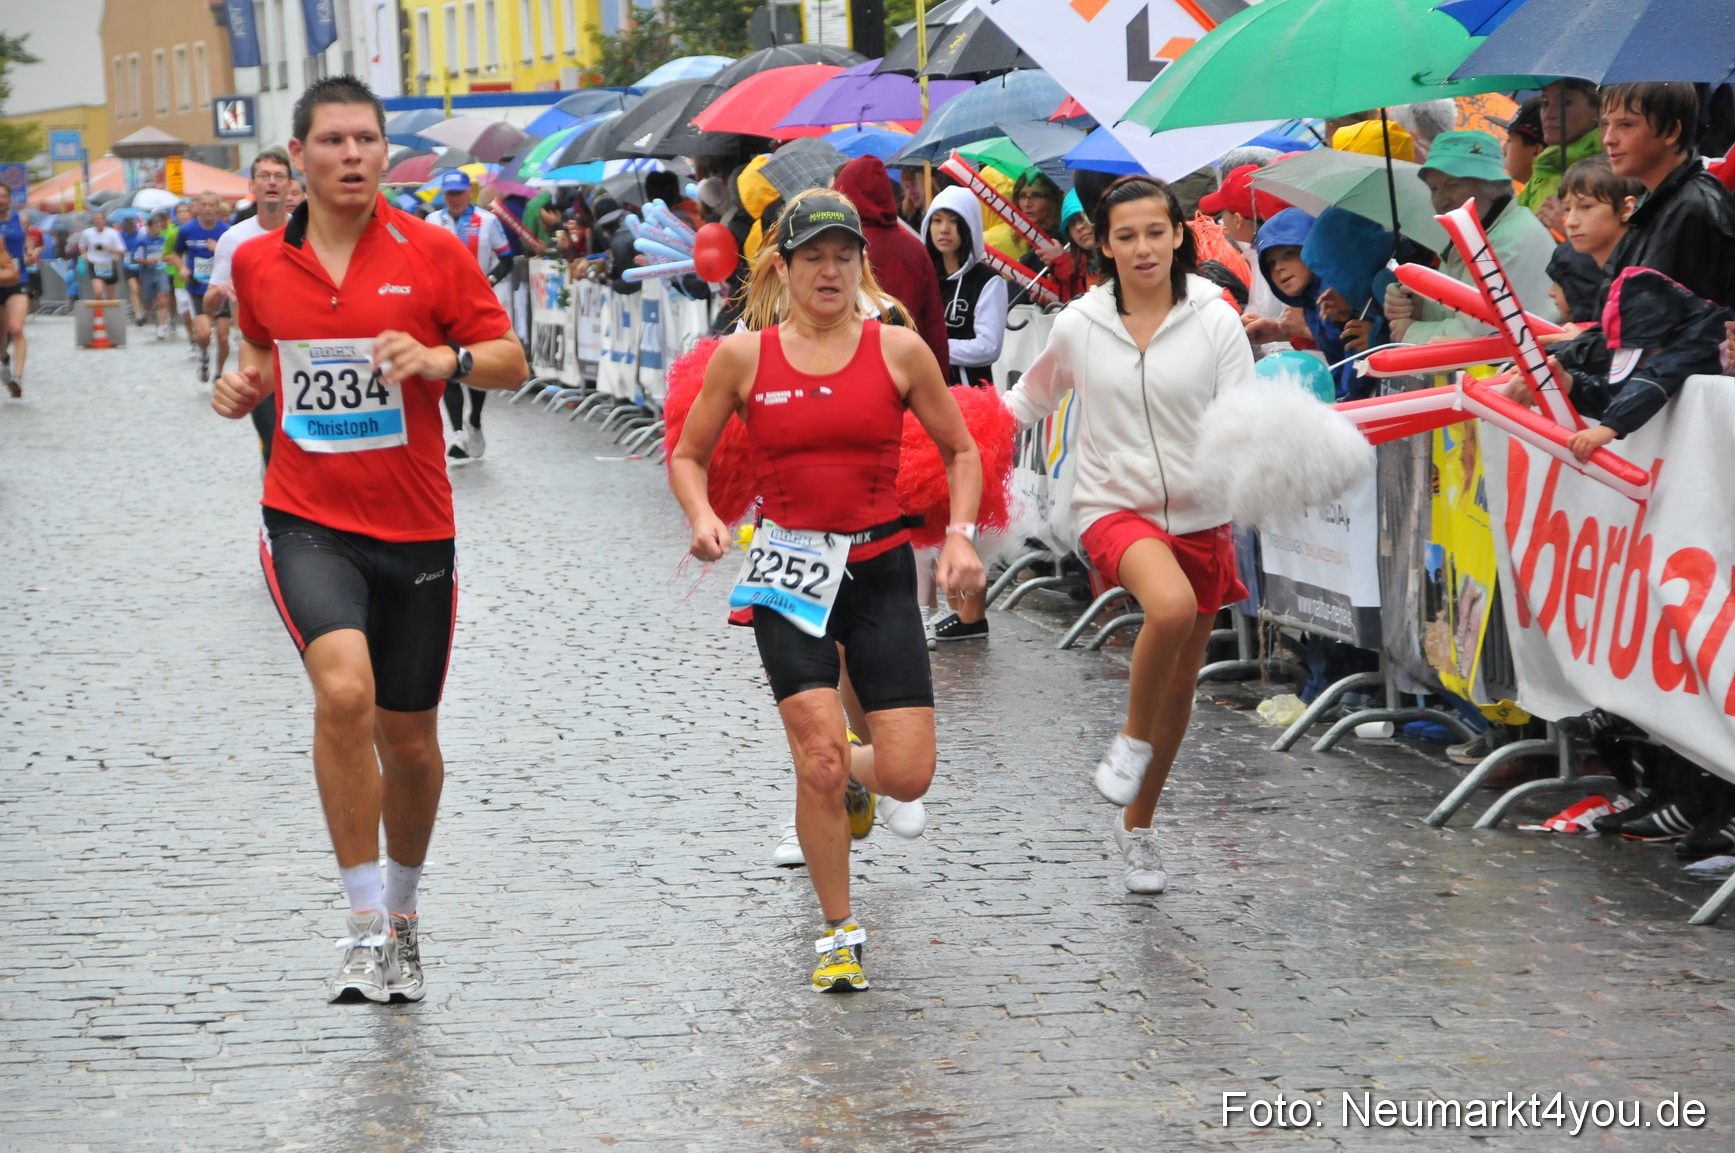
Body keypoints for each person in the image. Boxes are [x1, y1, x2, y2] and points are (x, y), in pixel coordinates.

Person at [209, 75, 528, 1004]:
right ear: (297, 158)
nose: (352, 155)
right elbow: (263, 352)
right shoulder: (260, 266)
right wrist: (245, 386)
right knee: (342, 689)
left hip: (417, 526)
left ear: (384, 153)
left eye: (366, 140)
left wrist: (443, 359)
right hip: (306, 517)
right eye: (333, 141)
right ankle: (360, 924)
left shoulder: (431, 254)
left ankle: (405, 913)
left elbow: (507, 358)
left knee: (413, 742)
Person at [669, 189, 985, 992]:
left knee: (909, 774)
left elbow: (961, 450)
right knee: (815, 758)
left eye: (845, 255)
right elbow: (687, 453)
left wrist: (958, 537)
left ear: (861, 265)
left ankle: (845, 772)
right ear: (784, 265)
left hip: (880, 572)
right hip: (787, 574)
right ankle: (838, 929)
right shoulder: (743, 358)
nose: (830, 269)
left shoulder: (896, 350)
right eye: (813, 255)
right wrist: (703, 514)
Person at [1004, 175, 1255, 895]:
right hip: (1113, 507)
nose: (1142, 247)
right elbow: (1029, 398)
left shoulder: (1216, 319)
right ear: (1102, 245)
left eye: (1154, 231)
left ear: (1178, 234)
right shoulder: (1078, 325)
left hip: (1202, 516)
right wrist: (963, 433)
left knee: (1180, 689)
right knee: (1167, 608)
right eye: (1125, 235)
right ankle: (1129, 740)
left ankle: (1137, 828)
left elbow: (1244, 414)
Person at [1384, 130, 1558, 341]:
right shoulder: (1474, 233)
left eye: (1454, 185)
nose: (1440, 200)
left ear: (1492, 187)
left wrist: (1410, 331)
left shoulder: (1509, 242)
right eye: (1434, 188)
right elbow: (1459, 310)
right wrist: (1418, 304)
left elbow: (1482, 333)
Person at [1597, 81, 1735, 309]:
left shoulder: (1691, 209)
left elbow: (1655, 326)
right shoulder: (1659, 200)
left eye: (1626, 125)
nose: (1608, 139)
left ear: (1671, 131)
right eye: (1605, 124)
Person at [205, 147, 297, 464]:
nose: (271, 182)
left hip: (304, 351)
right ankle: (272, 482)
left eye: (279, 176)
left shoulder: (309, 232)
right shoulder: (235, 238)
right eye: (264, 176)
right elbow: (208, 302)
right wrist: (223, 290)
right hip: (258, 351)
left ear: (289, 186)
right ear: (252, 186)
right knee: (272, 440)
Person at [831, 156, 951, 379]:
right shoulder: (915, 247)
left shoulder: (836, 247)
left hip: (848, 374)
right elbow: (934, 328)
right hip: (910, 374)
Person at [425, 170, 514, 462]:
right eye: (449, 194)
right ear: (443, 195)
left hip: (476, 307)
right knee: (450, 370)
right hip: (442, 306)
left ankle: (474, 420)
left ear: (469, 193)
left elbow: (507, 258)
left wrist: (489, 279)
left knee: (473, 367)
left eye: (459, 193)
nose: (454, 199)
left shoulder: (487, 221)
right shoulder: (432, 222)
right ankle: (457, 433)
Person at [1547, 157, 1642, 324]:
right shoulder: (1613, 277)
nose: (1570, 222)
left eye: (1586, 207)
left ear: (1626, 209)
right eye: (1567, 209)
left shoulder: (1639, 280)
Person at [1516, 79, 1604, 235]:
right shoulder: (1544, 168)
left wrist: (1569, 232)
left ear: (1598, 111)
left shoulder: (1609, 172)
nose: (1549, 114)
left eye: (1565, 103)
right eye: (1545, 102)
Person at [173, 191, 232, 383]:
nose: (207, 209)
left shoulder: (227, 231)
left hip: (220, 289)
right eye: (204, 205)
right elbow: (175, 254)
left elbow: (238, 258)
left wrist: (219, 250)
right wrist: (182, 267)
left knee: (223, 337)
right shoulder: (186, 230)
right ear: (197, 206)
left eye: (211, 205)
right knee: (205, 333)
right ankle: (204, 354)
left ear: (217, 207)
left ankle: (219, 373)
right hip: (197, 288)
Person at [0, 183, 30, 397]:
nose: (1, 200)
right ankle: (4, 359)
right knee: (1, 331)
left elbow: (27, 243)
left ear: (10, 199)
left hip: (18, 280)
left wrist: (32, 250)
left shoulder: (22, 219)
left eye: (3, 196)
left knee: (16, 328)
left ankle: (17, 378)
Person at [77, 210, 128, 302]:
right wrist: (84, 255)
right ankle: (99, 312)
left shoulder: (113, 233)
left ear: (104, 220)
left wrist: (110, 249)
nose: (98, 221)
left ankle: (109, 314)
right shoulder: (87, 233)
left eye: (100, 219)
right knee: (98, 292)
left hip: (109, 263)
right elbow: (82, 246)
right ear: (93, 221)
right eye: (96, 219)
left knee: (111, 296)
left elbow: (121, 249)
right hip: (95, 263)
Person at [1503, 97, 1547, 188]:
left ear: (1536, 152)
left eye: (1510, 140)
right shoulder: (1534, 194)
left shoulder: (1548, 198)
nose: (1503, 148)